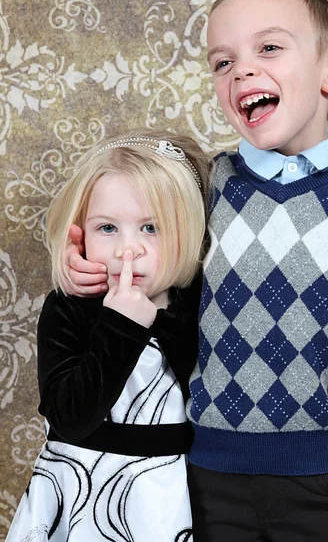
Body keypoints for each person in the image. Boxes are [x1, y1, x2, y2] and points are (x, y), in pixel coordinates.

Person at [64, 0, 328, 541]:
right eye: (223, 62)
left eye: (268, 48)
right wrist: (89, 264)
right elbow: (132, 235)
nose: (241, 70)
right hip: (205, 475)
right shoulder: (205, 185)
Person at [6, 130, 211, 542]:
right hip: (75, 492)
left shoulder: (198, 305)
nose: (126, 249)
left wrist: (156, 316)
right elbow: (70, 418)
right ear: (78, 232)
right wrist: (121, 325)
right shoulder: (69, 308)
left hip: (162, 497)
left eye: (150, 228)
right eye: (107, 228)